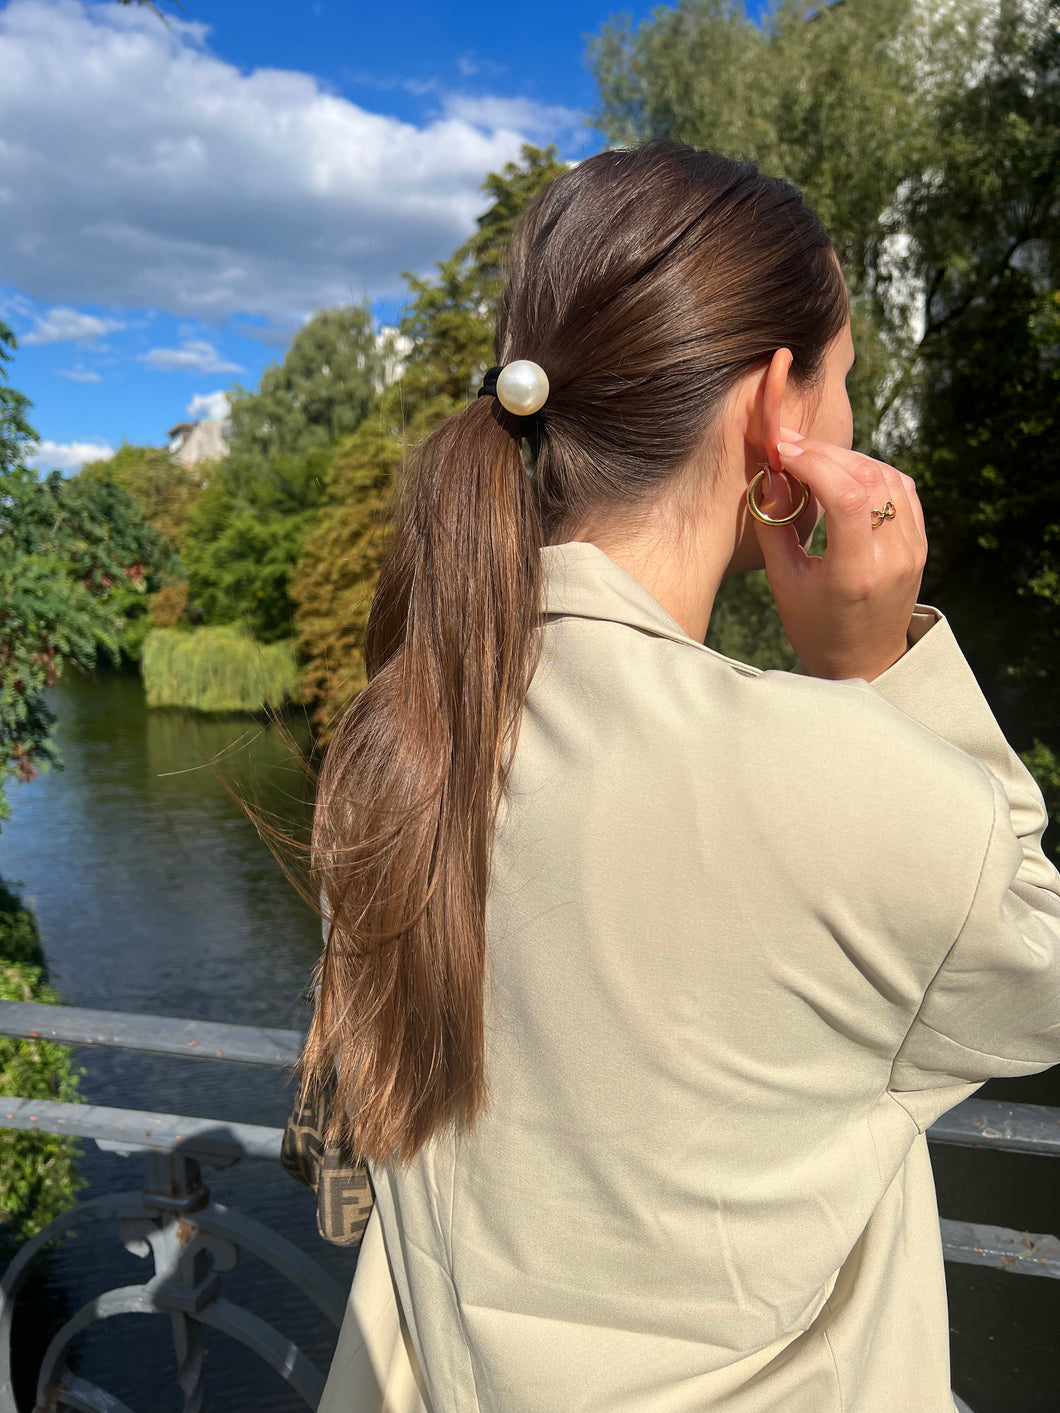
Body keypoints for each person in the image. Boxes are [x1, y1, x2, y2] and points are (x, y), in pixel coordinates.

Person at [304, 142, 1060, 1413]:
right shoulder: (837, 773)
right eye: (843, 381)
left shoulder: (395, 739)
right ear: (780, 409)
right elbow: (1028, 984)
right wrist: (876, 667)